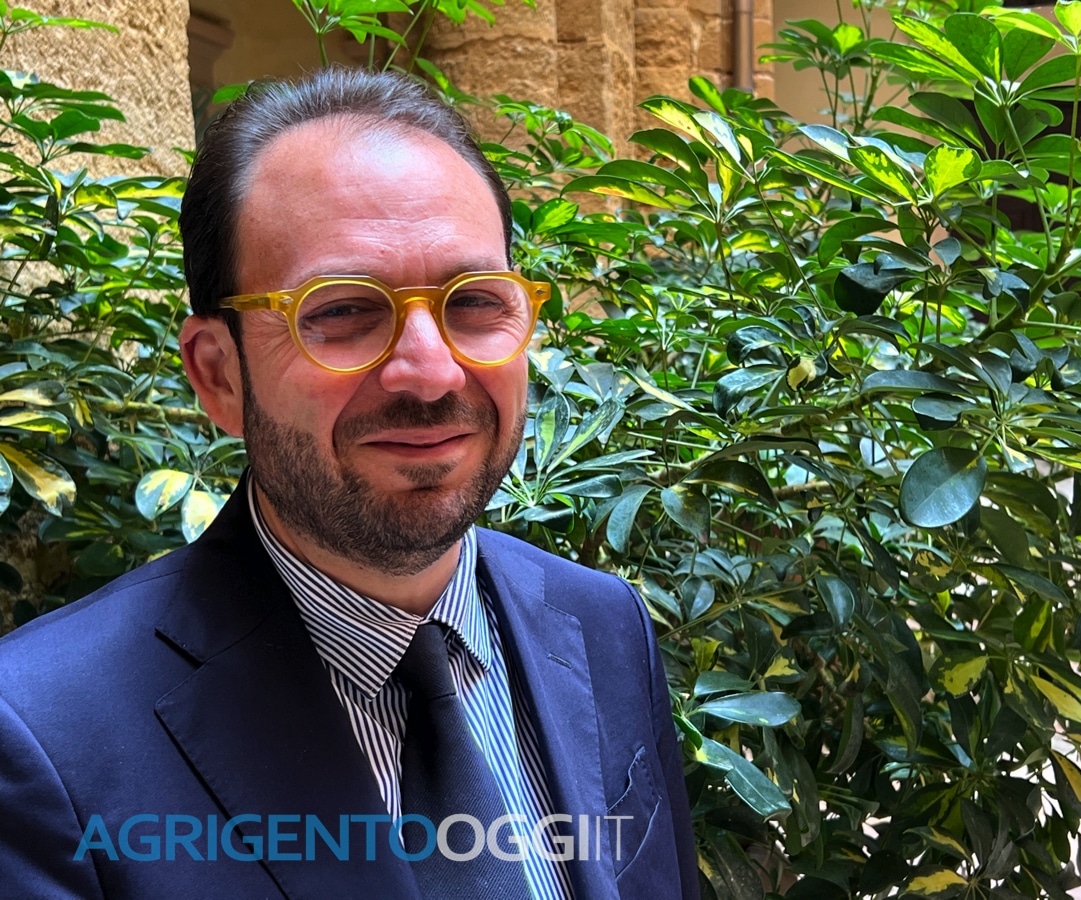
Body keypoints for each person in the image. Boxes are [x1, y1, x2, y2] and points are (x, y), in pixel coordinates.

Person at [0, 67, 699, 899]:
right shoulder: (42, 735)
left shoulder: (603, 625)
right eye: (340, 312)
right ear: (218, 374)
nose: (431, 373)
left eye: (475, 301)